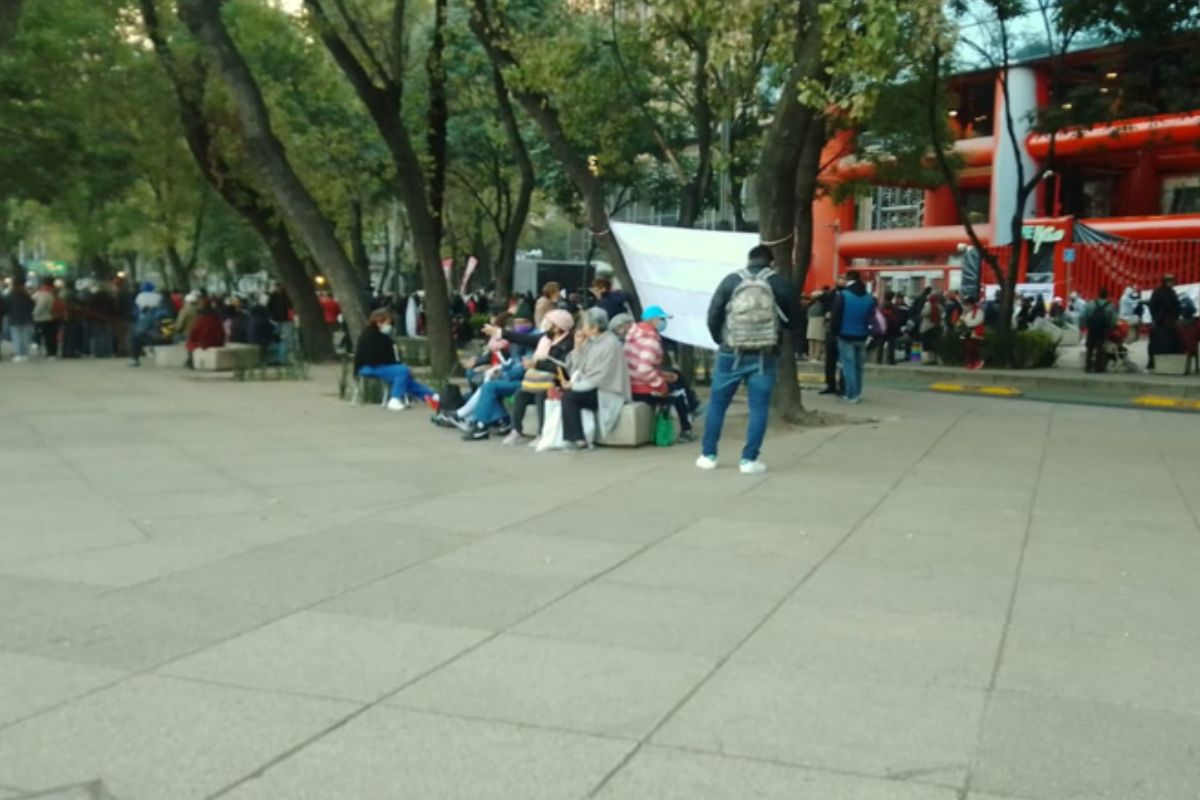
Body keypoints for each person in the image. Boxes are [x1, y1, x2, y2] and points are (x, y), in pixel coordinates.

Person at [697, 244, 800, 474]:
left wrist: (721, 340)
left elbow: (713, 315)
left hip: (730, 352)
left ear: (748, 260)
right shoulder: (779, 284)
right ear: (771, 262)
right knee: (759, 408)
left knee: (717, 404)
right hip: (764, 354)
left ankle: (708, 455)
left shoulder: (731, 281)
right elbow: (794, 320)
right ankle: (749, 460)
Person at [489, 308, 575, 445]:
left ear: (558, 326)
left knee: (541, 395)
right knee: (521, 394)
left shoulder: (569, 343)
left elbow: (562, 367)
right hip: (538, 380)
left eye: (550, 322)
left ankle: (541, 433)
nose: (546, 324)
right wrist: (500, 333)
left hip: (557, 383)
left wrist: (536, 364)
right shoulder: (545, 339)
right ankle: (516, 430)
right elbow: (523, 338)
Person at [558, 307, 631, 450]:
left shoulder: (611, 344)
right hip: (592, 387)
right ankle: (575, 437)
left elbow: (601, 376)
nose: (583, 328)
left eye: (585, 325)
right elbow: (577, 368)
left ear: (594, 328)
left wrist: (574, 386)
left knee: (570, 396)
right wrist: (578, 347)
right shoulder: (592, 341)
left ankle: (578, 438)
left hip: (607, 391)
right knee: (567, 395)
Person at [626, 305, 695, 442]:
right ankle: (686, 428)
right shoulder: (650, 341)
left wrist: (662, 374)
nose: (664, 322)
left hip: (631, 383)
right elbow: (644, 370)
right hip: (643, 389)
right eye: (662, 319)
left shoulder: (633, 335)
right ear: (653, 320)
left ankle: (694, 405)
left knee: (675, 374)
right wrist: (661, 384)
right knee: (679, 392)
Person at [353, 308, 438, 411]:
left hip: (375, 365)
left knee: (404, 375)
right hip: (368, 366)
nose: (389, 326)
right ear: (379, 322)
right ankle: (395, 398)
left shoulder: (380, 335)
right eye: (387, 323)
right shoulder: (370, 336)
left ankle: (430, 396)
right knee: (402, 371)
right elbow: (373, 357)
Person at [831, 270, 876, 404]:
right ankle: (857, 393)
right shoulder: (869, 297)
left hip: (845, 335)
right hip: (862, 335)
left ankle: (851, 394)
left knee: (848, 365)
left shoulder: (844, 295)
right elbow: (871, 317)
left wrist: (833, 333)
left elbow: (836, 316)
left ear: (848, 279)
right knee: (858, 366)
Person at [1147, 274, 1182, 370]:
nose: (1173, 283)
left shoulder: (1171, 292)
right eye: (1171, 281)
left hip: (1168, 323)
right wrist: (1158, 317)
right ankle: (1154, 363)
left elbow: (1177, 307)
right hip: (1161, 323)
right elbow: (1153, 307)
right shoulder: (1159, 292)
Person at [185, 297, 226, 368]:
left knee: (189, 344)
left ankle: (191, 361)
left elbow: (194, 331)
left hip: (205, 343)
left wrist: (191, 339)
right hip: (218, 342)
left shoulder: (201, 318)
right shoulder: (216, 317)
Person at [1083, 287, 1117, 374]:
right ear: (1107, 295)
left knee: (1090, 348)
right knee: (1100, 348)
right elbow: (1113, 320)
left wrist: (1085, 325)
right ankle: (1098, 367)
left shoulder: (1090, 304)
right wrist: (1110, 328)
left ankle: (1088, 366)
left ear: (1098, 294)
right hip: (1102, 330)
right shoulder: (1110, 306)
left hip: (1091, 329)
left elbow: (1083, 316)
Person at [819, 281, 845, 395]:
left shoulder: (847, 295)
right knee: (830, 359)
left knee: (842, 361)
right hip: (831, 329)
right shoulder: (830, 294)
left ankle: (842, 386)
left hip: (842, 330)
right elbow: (822, 302)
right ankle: (830, 384)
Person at [5, 283, 35, 362]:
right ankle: (24, 354)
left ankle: (18, 354)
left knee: (16, 337)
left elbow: (6, 308)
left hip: (14, 319)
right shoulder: (26, 296)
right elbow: (32, 305)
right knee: (26, 337)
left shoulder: (9, 297)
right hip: (27, 318)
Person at [32, 278, 60, 358]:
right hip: (51, 316)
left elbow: (40, 305)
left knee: (45, 336)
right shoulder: (52, 293)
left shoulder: (42, 293)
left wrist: (34, 313)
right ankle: (52, 352)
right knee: (51, 336)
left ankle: (50, 352)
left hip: (42, 318)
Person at [960, 295, 986, 370]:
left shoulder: (979, 311)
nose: (967, 306)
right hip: (967, 333)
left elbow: (978, 321)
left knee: (972, 347)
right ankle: (971, 362)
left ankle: (977, 361)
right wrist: (964, 313)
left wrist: (968, 323)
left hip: (975, 332)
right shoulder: (967, 312)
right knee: (967, 348)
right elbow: (961, 320)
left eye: (968, 304)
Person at [806, 291, 826, 361]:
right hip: (820, 323)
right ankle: (817, 355)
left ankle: (811, 355)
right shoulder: (823, 307)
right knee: (819, 341)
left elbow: (807, 316)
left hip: (811, 324)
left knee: (811, 341)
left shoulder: (811, 307)